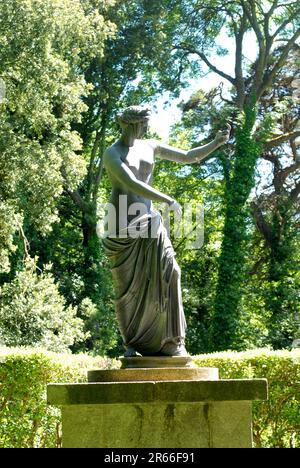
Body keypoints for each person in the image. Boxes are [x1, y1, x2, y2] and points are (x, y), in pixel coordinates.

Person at [103, 105, 230, 357]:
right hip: (121, 226)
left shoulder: (150, 145)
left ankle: (172, 342)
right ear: (132, 123)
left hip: (149, 222)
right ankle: (132, 344)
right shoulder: (112, 153)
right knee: (128, 290)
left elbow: (187, 156)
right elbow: (131, 182)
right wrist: (167, 199)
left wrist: (216, 143)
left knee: (171, 272)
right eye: (144, 123)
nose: (148, 128)